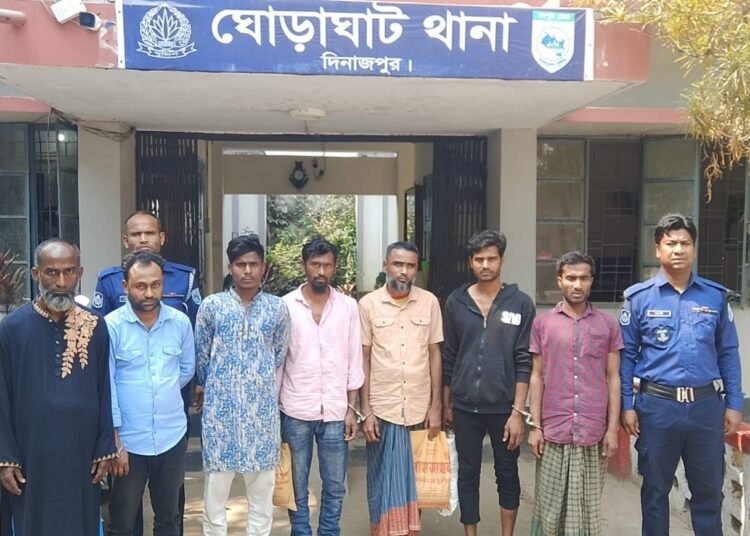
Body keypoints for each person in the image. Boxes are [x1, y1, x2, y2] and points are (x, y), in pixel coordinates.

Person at [620, 213, 743, 536]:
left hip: (705, 408)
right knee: (655, 492)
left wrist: (734, 403)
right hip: (657, 408)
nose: (678, 250)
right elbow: (626, 356)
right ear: (657, 249)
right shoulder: (639, 298)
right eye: (670, 243)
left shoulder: (714, 297)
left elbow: (728, 352)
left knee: (708, 494)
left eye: (685, 243)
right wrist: (627, 405)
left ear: (694, 249)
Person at [93, 210, 201, 536]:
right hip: (129, 441)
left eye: (156, 285)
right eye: (141, 286)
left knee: (170, 519)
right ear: (126, 286)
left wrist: (160, 387)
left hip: (171, 437)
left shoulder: (179, 323)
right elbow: (106, 384)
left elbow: (186, 368)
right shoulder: (111, 327)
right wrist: (115, 441)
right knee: (123, 522)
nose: (149, 293)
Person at [0, 239, 116, 535]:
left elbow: (104, 388)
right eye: (51, 272)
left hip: (80, 452)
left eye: (69, 272)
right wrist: (6, 456)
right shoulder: (11, 328)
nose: (61, 282)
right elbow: (2, 397)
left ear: (80, 273)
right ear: (36, 274)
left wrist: (105, 446)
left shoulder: (95, 325)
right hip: (31, 452)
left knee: (81, 521)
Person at [442, 230, 535, 536]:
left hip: (504, 408)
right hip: (465, 406)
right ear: (471, 262)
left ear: (501, 260)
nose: (485, 265)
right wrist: (446, 403)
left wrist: (518, 412)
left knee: (507, 473)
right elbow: (449, 355)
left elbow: (524, 361)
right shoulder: (456, 302)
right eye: (479, 259)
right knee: (467, 473)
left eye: (491, 259)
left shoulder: (520, 303)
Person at [196, 235, 290, 536]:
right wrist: (220, 387)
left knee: (262, 497)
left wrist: (253, 381)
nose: (247, 271)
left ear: (263, 267)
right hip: (220, 418)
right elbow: (202, 356)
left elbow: (278, 354)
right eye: (240, 264)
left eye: (253, 264)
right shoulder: (213, 306)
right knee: (215, 495)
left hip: (261, 417)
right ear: (230, 268)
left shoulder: (276, 308)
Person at [527, 251, 622, 535]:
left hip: (592, 431)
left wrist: (613, 429)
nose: (577, 285)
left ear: (592, 280)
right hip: (553, 430)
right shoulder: (543, 323)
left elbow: (613, 377)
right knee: (549, 508)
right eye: (571, 278)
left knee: (586, 508)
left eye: (583, 278)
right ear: (560, 280)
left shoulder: (607, 324)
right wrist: (535, 426)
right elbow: (536, 376)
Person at [279, 237, 364, 536]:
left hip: (336, 411)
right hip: (295, 409)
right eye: (315, 264)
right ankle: (301, 532)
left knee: (335, 484)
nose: (321, 271)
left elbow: (354, 360)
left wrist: (352, 409)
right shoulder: (285, 306)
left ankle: (329, 532)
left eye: (327, 265)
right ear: (304, 265)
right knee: (296, 485)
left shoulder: (348, 307)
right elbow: (279, 362)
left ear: (335, 267)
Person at [358, 241, 443, 536]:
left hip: (419, 408)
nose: (404, 271)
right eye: (398, 264)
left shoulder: (429, 302)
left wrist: (436, 406)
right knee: (381, 478)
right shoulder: (368, 304)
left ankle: (408, 531)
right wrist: (366, 411)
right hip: (383, 408)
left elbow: (435, 354)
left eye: (410, 265)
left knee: (415, 481)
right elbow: (363, 358)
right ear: (386, 265)